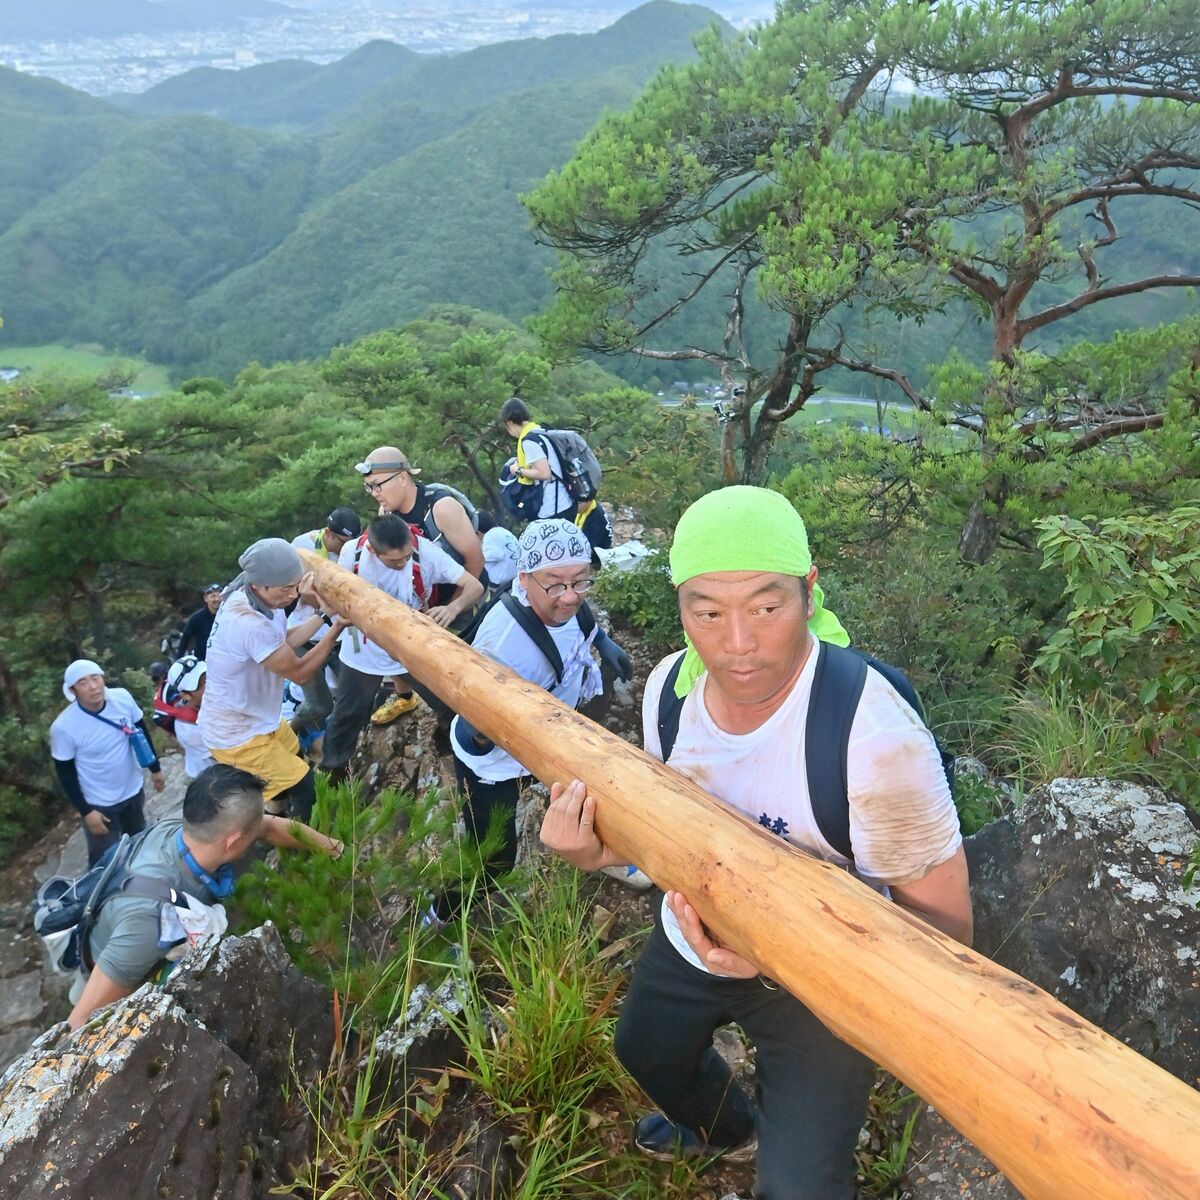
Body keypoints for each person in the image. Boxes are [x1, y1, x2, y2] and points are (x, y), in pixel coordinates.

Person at [539, 486, 972, 1200]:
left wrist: (788, 956)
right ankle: (728, 1132)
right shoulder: (668, 695)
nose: (737, 645)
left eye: (767, 609)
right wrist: (597, 854)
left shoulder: (873, 737)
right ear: (680, 606)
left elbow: (947, 932)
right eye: (707, 613)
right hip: (693, 934)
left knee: (802, 1190)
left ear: (809, 591)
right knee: (644, 1051)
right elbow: (667, 838)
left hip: (824, 978)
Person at [66, 763, 343, 1030]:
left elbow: (268, 826)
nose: (261, 827)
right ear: (233, 842)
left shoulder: (189, 827)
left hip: (136, 946)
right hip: (118, 973)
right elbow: (81, 1021)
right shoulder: (149, 921)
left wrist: (336, 850)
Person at [450, 518, 631, 887]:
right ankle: (442, 916)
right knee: (494, 859)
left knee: (594, 799)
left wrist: (602, 643)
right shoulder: (501, 644)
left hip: (551, 740)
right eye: (555, 585)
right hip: (495, 766)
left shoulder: (567, 598)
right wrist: (482, 730)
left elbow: (578, 615)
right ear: (523, 578)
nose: (570, 595)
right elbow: (473, 728)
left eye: (581, 580)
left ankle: (608, 855)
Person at [319, 514, 484, 777]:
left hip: (412, 645)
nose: (403, 562)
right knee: (347, 715)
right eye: (395, 561)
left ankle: (454, 755)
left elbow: (473, 586)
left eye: (407, 557)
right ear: (373, 550)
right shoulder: (354, 552)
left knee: (447, 703)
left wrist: (451, 609)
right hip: (365, 648)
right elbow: (334, 592)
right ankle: (333, 773)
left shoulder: (424, 551)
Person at [199, 538, 348, 820]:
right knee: (305, 787)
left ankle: (276, 821)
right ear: (261, 585)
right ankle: (307, 851)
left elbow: (284, 640)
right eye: (287, 589)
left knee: (293, 761)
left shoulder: (256, 596)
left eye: (296, 585)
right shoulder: (247, 621)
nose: (294, 595)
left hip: (257, 718)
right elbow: (301, 672)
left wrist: (325, 615)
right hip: (236, 733)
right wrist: (336, 627)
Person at [355, 446, 484, 722]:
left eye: (378, 485)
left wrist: (454, 607)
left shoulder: (440, 508)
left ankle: (471, 718)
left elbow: (475, 559)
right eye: (369, 488)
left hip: (460, 594)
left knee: (465, 662)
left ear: (403, 478)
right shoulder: (387, 514)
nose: (375, 493)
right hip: (426, 600)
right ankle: (406, 697)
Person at [50, 660, 167, 867]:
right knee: (105, 861)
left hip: (133, 790)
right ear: (73, 690)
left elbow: (141, 732)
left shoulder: (121, 698)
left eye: (96, 678)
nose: (93, 686)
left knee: (140, 842)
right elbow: (65, 774)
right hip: (100, 803)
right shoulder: (64, 727)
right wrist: (86, 812)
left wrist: (155, 769)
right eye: (83, 683)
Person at [288, 507, 363, 744]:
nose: (346, 547)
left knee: (356, 693)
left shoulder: (352, 551)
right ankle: (289, 735)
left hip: (339, 635)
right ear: (329, 534)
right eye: (342, 542)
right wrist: (329, 604)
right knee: (320, 704)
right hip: (305, 635)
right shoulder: (301, 547)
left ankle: (347, 740)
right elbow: (302, 594)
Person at [498, 396, 576, 522]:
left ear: (510, 423)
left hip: (552, 507)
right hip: (564, 501)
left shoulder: (529, 441)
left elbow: (544, 473)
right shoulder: (539, 431)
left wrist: (518, 470)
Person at [165, 656, 216, 779]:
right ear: (185, 695)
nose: (208, 685)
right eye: (200, 685)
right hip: (209, 776)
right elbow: (222, 755)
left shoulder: (209, 701)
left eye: (208, 677)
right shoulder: (188, 729)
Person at [176, 583, 223, 660]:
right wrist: (178, 661)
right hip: (202, 662)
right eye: (213, 596)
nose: (217, 599)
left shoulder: (228, 616)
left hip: (224, 660)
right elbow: (185, 639)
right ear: (206, 598)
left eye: (219, 596)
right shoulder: (197, 618)